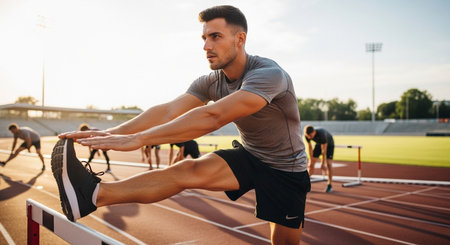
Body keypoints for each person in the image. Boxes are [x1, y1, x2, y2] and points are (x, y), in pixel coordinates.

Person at [51, 5, 309, 244]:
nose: (206, 45)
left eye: (215, 36)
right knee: (187, 170)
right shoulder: (210, 81)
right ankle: (92, 196)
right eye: (204, 38)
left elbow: (214, 116)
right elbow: (168, 111)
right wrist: (111, 133)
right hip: (251, 155)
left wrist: (139, 139)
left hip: (285, 170)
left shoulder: (269, 75)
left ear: (239, 39)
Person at [304, 125, 335, 193]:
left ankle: (329, 185)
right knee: (310, 164)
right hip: (318, 144)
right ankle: (306, 183)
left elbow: (324, 150)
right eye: (308, 136)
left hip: (329, 145)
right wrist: (311, 161)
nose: (309, 137)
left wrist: (322, 163)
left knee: (329, 164)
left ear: (314, 132)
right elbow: (310, 148)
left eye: (311, 136)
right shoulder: (307, 135)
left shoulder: (322, 134)